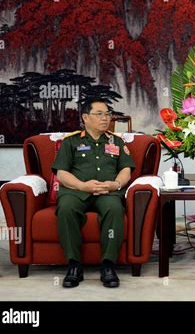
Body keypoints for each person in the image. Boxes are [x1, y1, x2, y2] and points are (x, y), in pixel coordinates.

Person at [52, 98, 135, 288]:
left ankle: (108, 265)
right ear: (85, 118)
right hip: (76, 191)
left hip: (108, 192)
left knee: (114, 209)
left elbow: (126, 170)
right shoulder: (71, 142)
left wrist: (115, 185)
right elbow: (61, 173)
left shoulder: (117, 141)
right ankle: (74, 265)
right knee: (66, 209)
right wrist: (82, 186)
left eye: (107, 114)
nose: (105, 118)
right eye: (99, 114)